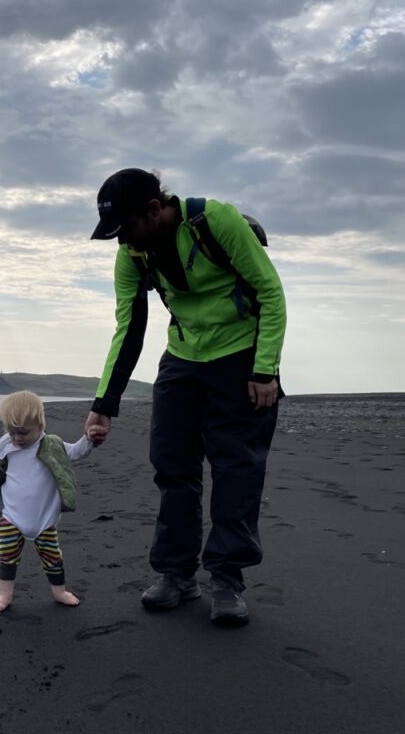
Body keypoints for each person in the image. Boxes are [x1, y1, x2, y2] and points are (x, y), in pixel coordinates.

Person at [84, 168, 286, 626]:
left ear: (155, 209)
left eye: (126, 229)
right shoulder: (132, 255)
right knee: (172, 465)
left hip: (241, 355)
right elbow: (129, 328)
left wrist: (264, 368)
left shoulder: (216, 221)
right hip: (183, 357)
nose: (123, 242)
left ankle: (227, 580)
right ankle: (177, 575)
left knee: (237, 469)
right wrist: (104, 403)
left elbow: (271, 293)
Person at [0, 390, 96, 612]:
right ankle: (4, 595)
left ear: (40, 425)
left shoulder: (52, 445)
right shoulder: (8, 448)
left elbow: (77, 452)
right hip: (12, 517)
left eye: (23, 432)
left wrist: (89, 438)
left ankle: (59, 592)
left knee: (52, 558)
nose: (17, 438)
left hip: (44, 519)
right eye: (11, 432)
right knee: (7, 557)